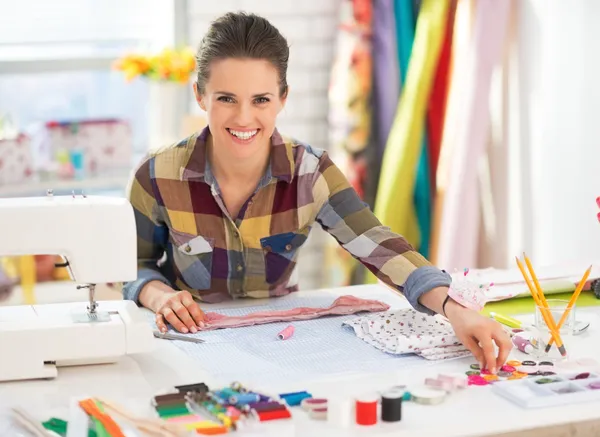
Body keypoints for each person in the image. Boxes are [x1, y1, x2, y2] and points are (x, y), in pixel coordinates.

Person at [123, 11, 511, 373]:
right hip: (188, 349)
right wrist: (160, 296)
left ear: (283, 99)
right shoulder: (156, 175)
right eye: (226, 99)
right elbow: (129, 266)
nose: (243, 118)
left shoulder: (311, 173)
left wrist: (455, 308)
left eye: (261, 99)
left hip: (276, 343)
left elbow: (378, 245)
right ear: (200, 96)